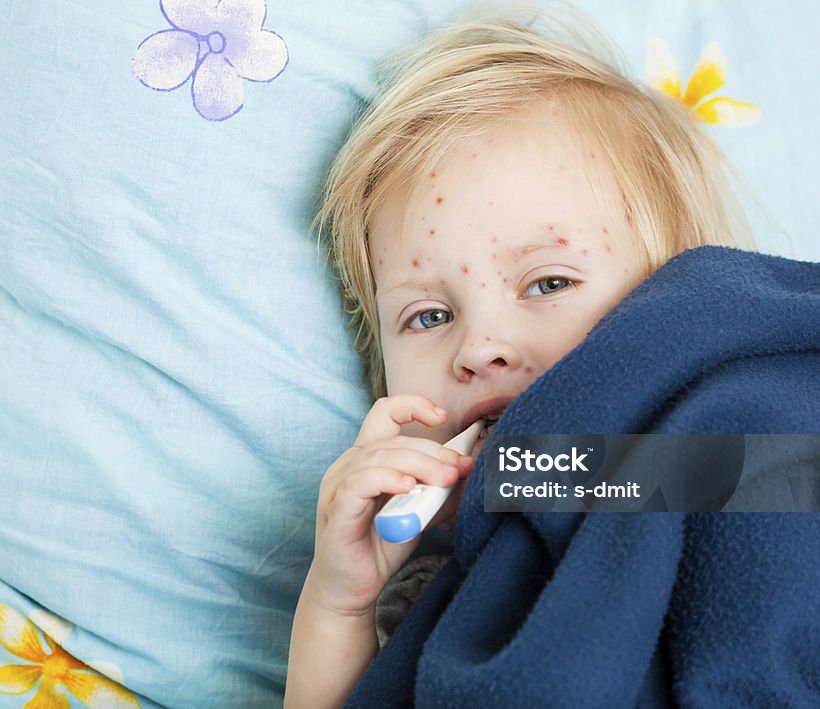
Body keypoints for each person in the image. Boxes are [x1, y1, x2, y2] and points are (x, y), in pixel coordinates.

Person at [285, 10, 752, 707]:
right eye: (430, 316)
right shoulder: (428, 589)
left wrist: (567, 471)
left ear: (677, 296)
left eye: (548, 283)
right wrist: (340, 602)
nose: (478, 347)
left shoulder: (750, 430)